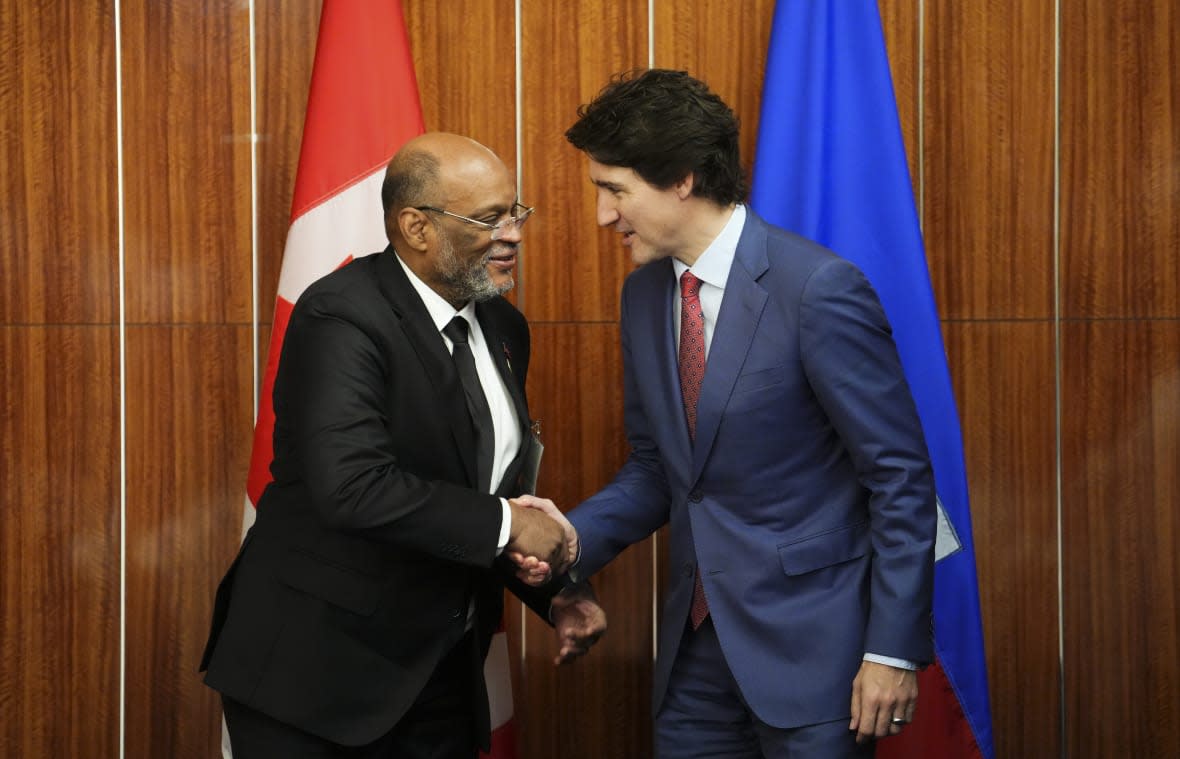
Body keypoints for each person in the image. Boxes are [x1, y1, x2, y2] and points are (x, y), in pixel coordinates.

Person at [544, 68, 936, 757]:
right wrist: (567, 540)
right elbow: (658, 471)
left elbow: (899, 477)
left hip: (818, 660)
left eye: (615, 190)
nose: (603, 215)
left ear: (683, 180)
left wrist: (892, 651)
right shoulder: (642, 298)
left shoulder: (816, 288)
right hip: (694, 661)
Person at [200, 132, 606, 759]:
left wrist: (556, 592)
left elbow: (475, 498)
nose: (514, 235)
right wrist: (514, 524)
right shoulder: (341, 314)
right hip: (317, 677)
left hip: (439, 671)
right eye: (489, 218)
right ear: (416, 226)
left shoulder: (504, 327)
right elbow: (353, 488)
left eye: (515, 214)